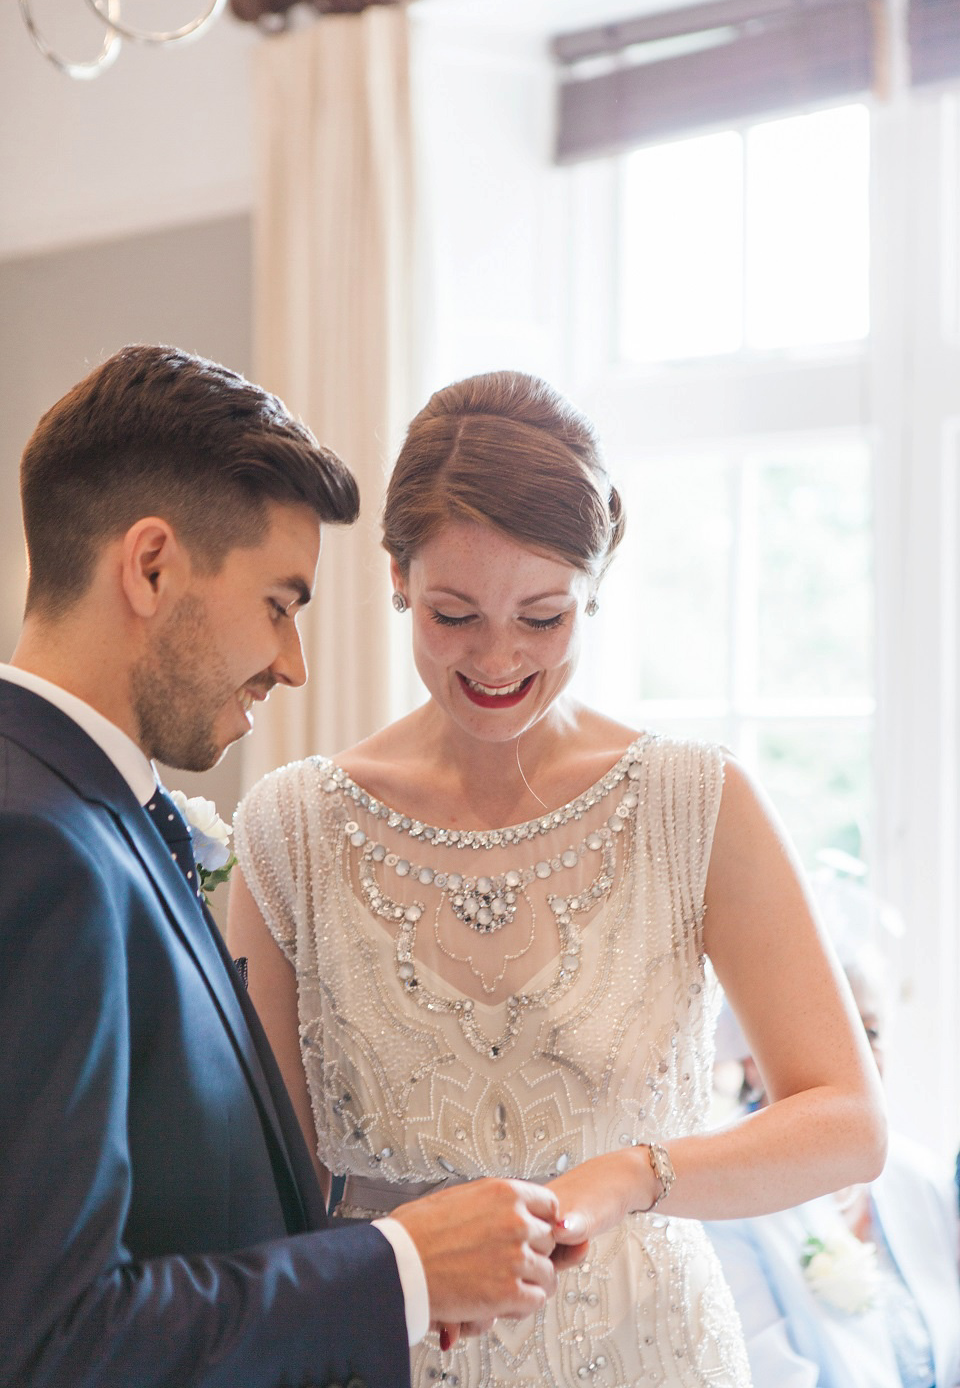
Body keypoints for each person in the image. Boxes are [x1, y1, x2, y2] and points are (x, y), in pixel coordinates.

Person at [229, 369, 888, 1388]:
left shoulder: (694, 804)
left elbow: (848, 1121)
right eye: (454, 615)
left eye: (543, 618)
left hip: (649, 1350)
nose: (497, 659)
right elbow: (270, 1185)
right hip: (394, 1348)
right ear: (398, 574)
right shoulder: (295, 827)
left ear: (595, 586)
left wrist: (631, 1175)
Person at [0, 346, 572, 1388]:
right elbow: (54, 1339)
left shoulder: (92, 812)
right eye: (280, 602)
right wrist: (402, 1266)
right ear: (153, 566)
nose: (294, 662)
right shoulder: (38, 847)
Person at [706, 952, 960, 1387]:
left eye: (871, 1032)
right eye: (830, 1033)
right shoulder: (721, 1195)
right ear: (754, 1056)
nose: (857, 1057)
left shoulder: (923, 1178)